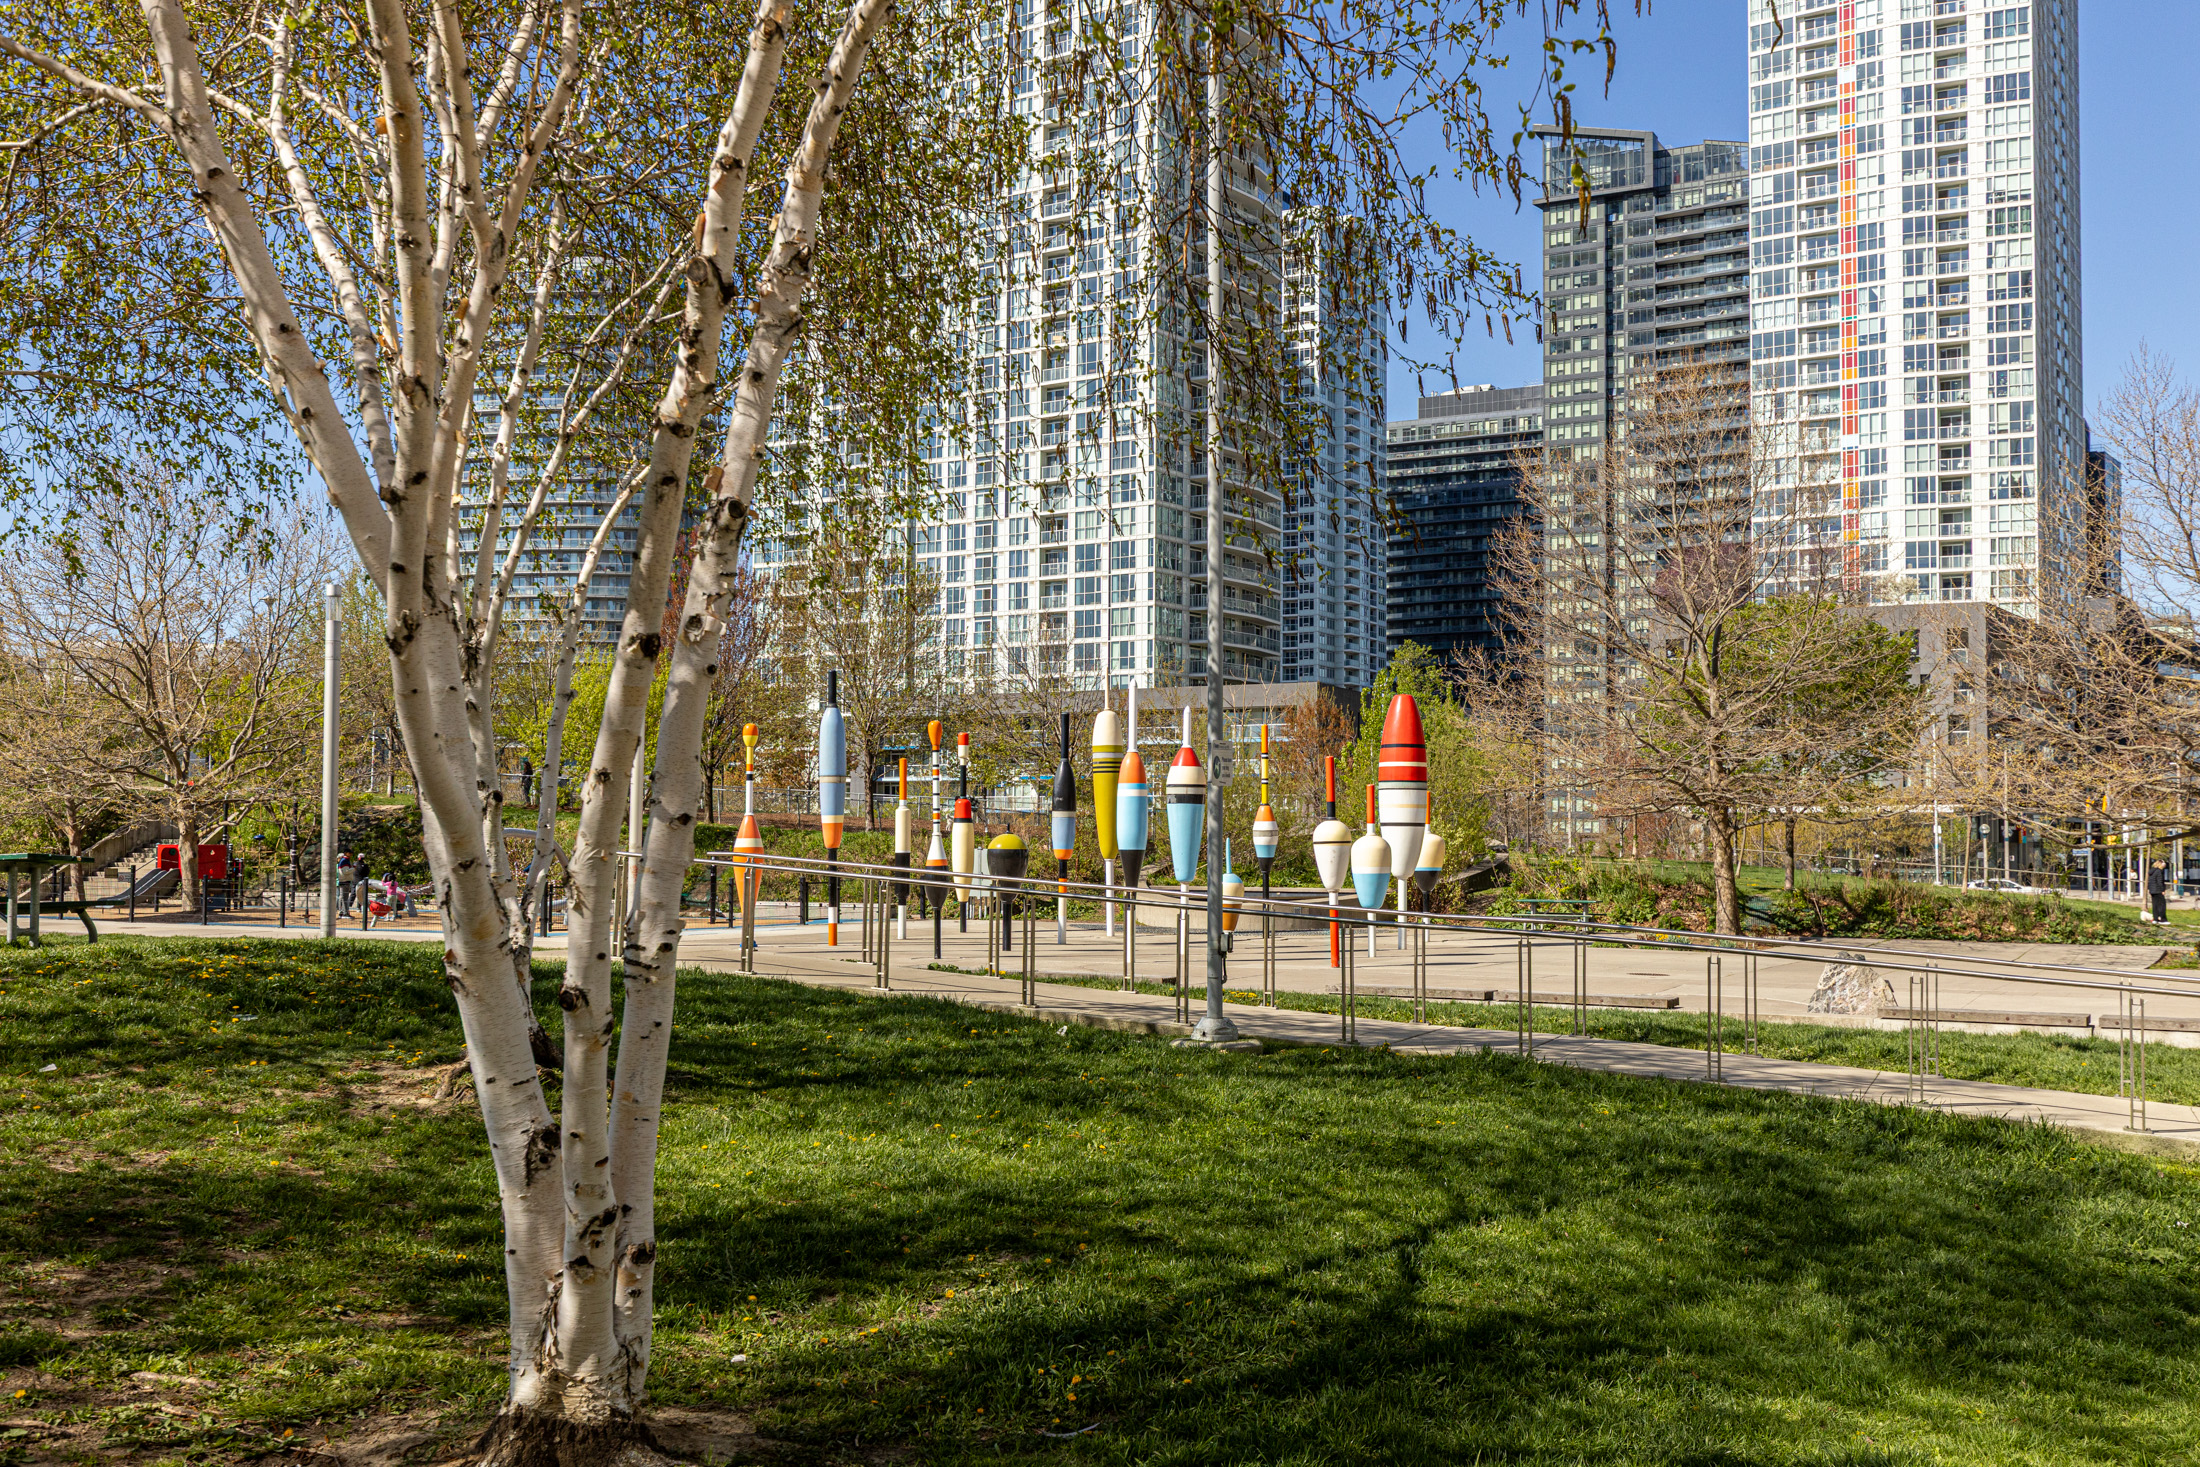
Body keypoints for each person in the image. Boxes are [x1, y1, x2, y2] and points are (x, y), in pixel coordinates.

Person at [335, 852, 358, 916]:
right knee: (341, 897)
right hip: (341, 882)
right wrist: (353, 868)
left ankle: (341, 910)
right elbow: (344, 872)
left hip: (339, 882)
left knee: (340, 896)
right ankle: (341, 910)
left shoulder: (339, 865)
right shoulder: (341, 865)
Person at [2148, 858, 2169, 924]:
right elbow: (2160, 882)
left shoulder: (2152, 871)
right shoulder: (2159, 871)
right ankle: (2163, 919)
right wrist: (2162, 890)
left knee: (2155, 905)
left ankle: (2155, 919)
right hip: (2158, 890)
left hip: (2152, 890)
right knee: (2162, 905)